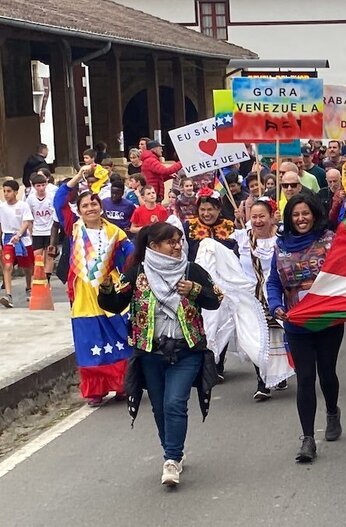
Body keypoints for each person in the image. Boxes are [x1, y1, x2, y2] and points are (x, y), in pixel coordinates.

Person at [98, 222, 221, 487]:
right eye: (171, 242)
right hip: (150, 352)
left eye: (179, 241)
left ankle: (171, 459)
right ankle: (173, 448)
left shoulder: (192, 271)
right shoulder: (135, 274)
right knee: (159, 407)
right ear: (154, 247)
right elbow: (114, 305)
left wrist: (195, 291)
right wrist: (106, 287)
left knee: (175, 402)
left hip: (187, 350)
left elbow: (216, 299)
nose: (178, 246)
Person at [267, 193, 344, 462]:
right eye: (296, 214)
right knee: (305, 378)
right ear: (290, 218)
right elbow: (273, 282)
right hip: (296, 322)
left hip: (327, 321)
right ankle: (308, 439)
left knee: (326, 373)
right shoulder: (280, 246)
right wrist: (276, 305)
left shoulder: (331, 241)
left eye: (306, 213)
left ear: (314, 214)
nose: (301, 219)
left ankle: (333, 410)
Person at [55, 173, 134, 405]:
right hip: (84, 295)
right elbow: (59, 201)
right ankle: (95, 391)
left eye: (94, 204)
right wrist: (76, 177)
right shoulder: (73, 228)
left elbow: (131, 255)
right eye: (85, 205)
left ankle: (122, 385)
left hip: (111, 292)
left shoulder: (115, 232)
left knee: (119, 335)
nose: (90, 208)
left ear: (101, 206)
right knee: (90, 340)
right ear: (79, 210)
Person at [233, 197, 292, 400]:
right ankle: (262, 383)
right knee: (258, 339)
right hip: (251, 297)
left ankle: (278, 375)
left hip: (276, 294)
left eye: (262, 216)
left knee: (278, 337)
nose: (257, 220)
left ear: (271, 217)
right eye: (254, 216)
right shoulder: (242, 238)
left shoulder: (281, 239)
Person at [0, 180, 34, 307]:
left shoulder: (23, 205)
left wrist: (19, 234)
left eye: (8, 191)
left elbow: (26, 222)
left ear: (15, 192)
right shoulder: (2, 207)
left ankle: (29, 287)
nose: (6, 194)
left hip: (23, 239)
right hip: (8, 239)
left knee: (27, 267)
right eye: (4, 191)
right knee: (7, 266)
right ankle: (8, 295)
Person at [25, 173, 58, 278]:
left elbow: (55, 215)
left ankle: (47, 280)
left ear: (47, 184)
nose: (41, 188)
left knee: (49, 255)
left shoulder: (51, 197)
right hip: (37, 231)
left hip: (50, 230)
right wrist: (30, 233)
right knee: (37, 256)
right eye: (38, 186)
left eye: (43, 185)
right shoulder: (30, 199)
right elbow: (29, 217)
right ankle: (39, 277)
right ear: (34, 187)